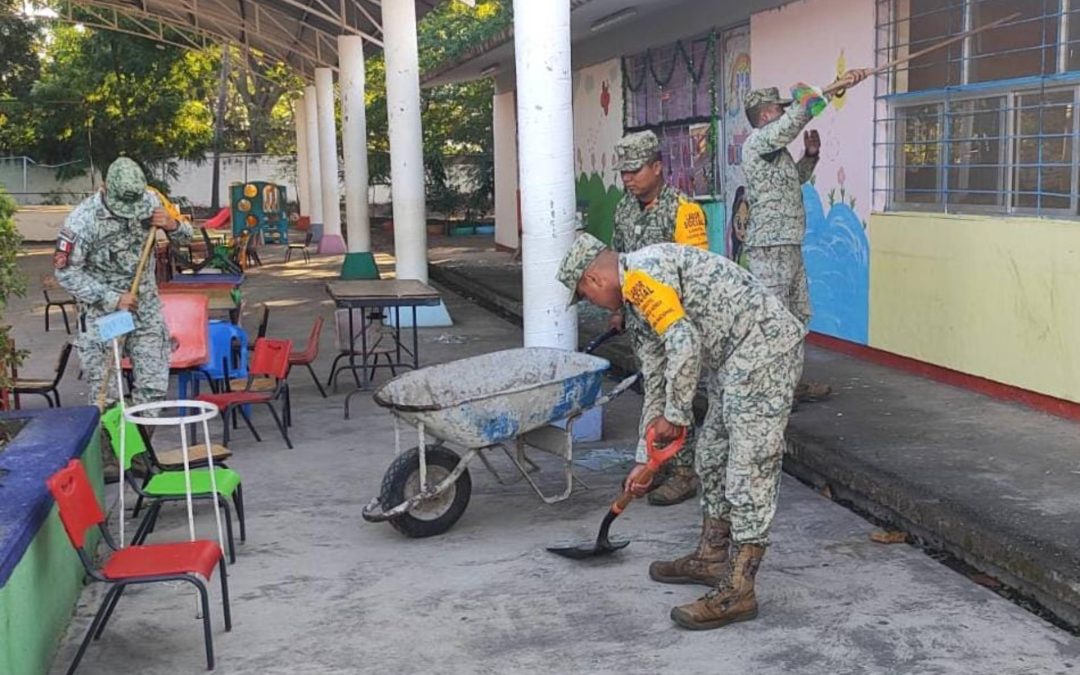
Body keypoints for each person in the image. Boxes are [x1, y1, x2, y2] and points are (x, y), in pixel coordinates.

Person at [557, 233, 805, 630]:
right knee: (710, 457)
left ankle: (739, 590)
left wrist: (675, 416)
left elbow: (685, 342)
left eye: (585, 296)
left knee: (748, 469)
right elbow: (656, 379)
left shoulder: (641, 276)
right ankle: (711, 558)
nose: (592, 303)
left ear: (593, 279)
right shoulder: (636, 305)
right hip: (733, 360)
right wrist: (645, 460)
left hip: (765, 351)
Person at [741, 69, 869, 403]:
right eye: (779, 109)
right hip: (769, 248)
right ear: (767, 115)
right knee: (773, 320)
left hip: (789, 243)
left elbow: (790, 182)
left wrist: (809, 158)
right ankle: (769, 390)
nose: (784, 113)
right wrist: (819, 95)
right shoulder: (758, 143)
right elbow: (793, 121)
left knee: (796, 317)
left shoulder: (776, 153)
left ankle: (790, 384)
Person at [609, 130, 708, 507]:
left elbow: (697, 275)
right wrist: (618, 309)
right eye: (623, 173)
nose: (628, 179)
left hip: (673, 326)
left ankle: (682, 471)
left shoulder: (684, 211)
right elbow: (618, 263)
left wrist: (682, 327)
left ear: (657, 167)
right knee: (654, 393)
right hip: (639, 325)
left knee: (672, 394)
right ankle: (656, 462)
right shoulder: (624, 208)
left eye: (634, 170)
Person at [54, 157, 192, 413]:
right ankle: (114, 451)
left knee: (153, 387)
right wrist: (112, 298)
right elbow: (67, 273)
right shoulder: (82, 221)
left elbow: (187, 236)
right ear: (104, 187)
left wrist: (171, 225)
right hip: (104, 316)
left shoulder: (150, 201)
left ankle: (141, 450)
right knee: (107, 394)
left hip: (146, 310)